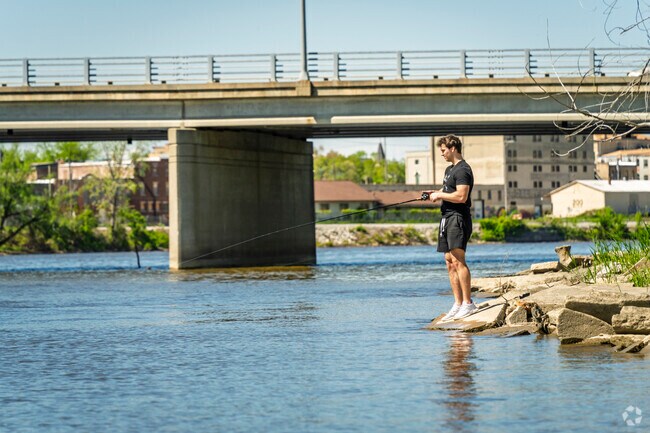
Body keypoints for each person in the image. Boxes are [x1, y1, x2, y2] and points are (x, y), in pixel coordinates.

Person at [423, 135, 475, 322]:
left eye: (444, 150)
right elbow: (449, 191)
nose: (442, 154)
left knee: (458, 259)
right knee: (448, 261)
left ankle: (468, 304)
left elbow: (461, 196)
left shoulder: (463, 170)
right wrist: (435, 193)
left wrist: (440, 194)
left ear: (453, 148)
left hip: (458, 218)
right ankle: (458, 303)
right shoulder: (449, 170)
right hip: (446, 218)